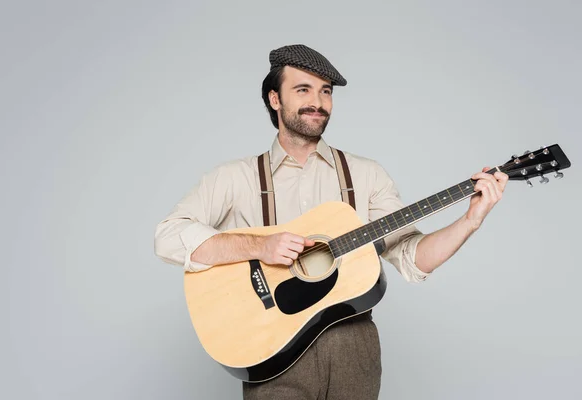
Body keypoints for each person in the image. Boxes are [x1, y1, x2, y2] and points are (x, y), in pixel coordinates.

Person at [154, 44, 508, 400]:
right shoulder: (234, 177)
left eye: (326, 92)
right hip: (273, 348)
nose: (318, 102)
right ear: (275, 99)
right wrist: (260, 245)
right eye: (303, 89)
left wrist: (469, 221)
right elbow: (169, 236)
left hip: (354, 347)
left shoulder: (366, 174)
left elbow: (412, 258)